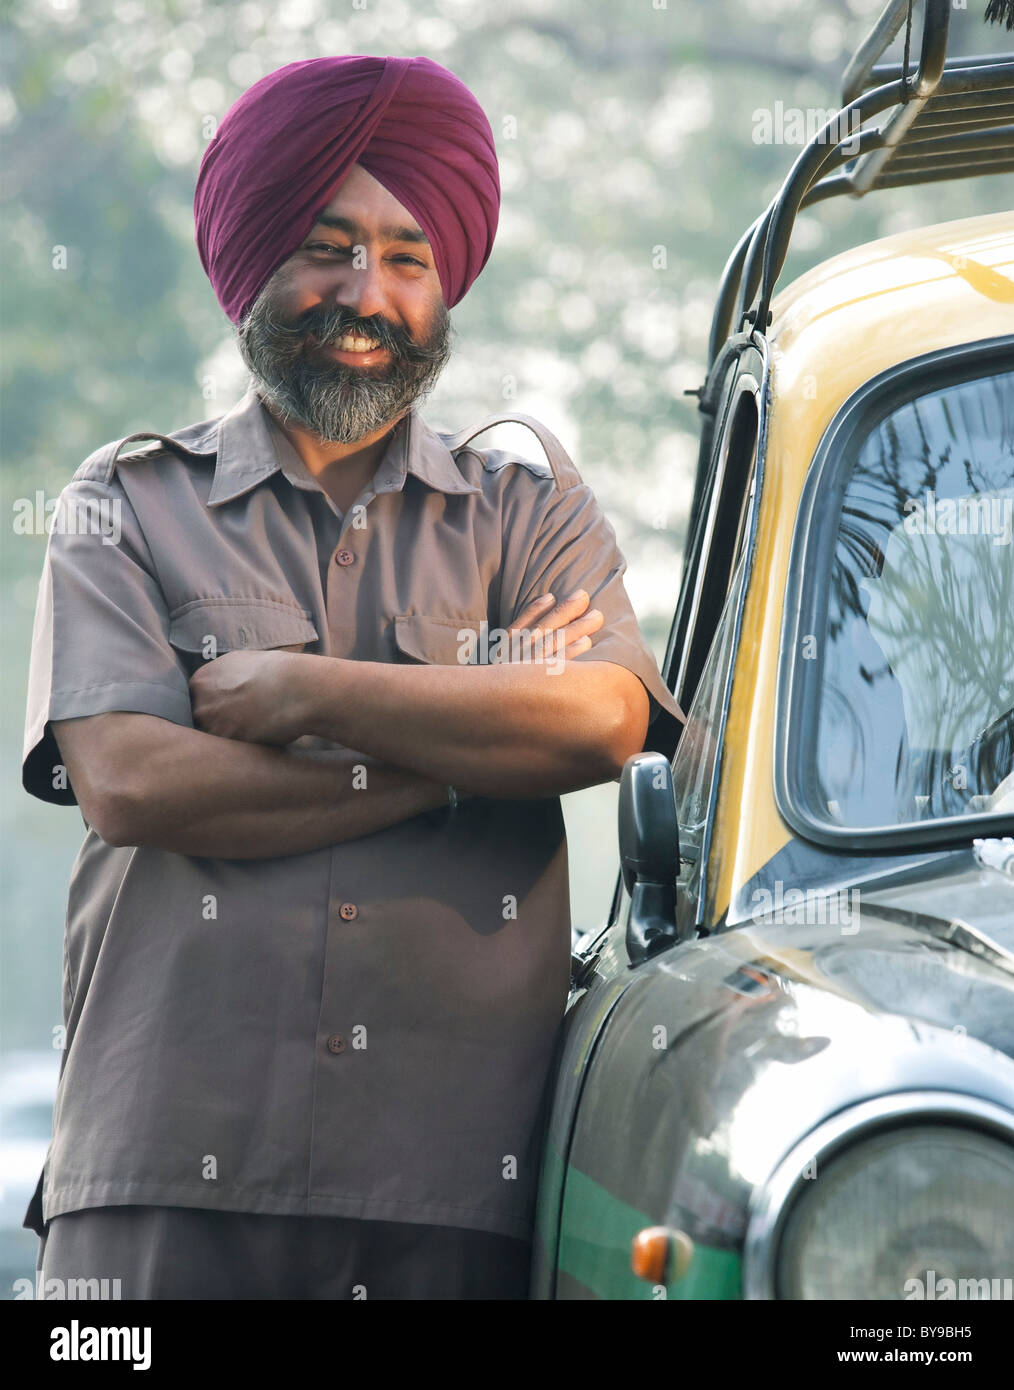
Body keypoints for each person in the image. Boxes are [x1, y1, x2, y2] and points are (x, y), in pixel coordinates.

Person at [21, 53, 685, 1300]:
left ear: (445, 285)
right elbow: (130, 781)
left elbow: (600, 717)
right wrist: (454, 765)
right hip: (158, 1177)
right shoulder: (125, 500)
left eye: (406, 256)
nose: (365, 293)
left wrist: (308, 696)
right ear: (256, 260)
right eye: (325, 246)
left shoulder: (522, 505)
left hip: (442, 1190)